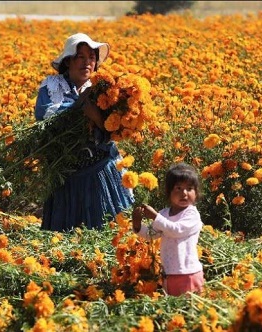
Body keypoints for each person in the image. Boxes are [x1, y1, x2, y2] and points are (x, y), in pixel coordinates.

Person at [34, 32, 134, 232]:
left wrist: (95, 116)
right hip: (66, 176)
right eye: (80, 57)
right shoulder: (52, 86)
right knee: (67, 235)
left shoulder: (102, 90)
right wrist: (81, 107)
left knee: (108, 232)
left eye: (92, 58)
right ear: (68, 61)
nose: (86, 63)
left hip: (100, 171)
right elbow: (46, 115)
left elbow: (111, 130)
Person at [132, 162, 204, 296]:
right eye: (178, 188)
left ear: (196, 192)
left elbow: (176, 230)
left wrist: (155, 216)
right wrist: (137, 224)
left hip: (189, 273)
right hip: (169, 274)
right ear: (169, 192)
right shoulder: (165, 214)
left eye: (189, 188)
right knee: (173, 311)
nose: (184, 193)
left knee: (190, 312)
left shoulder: (191, 214)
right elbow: (151, 234)